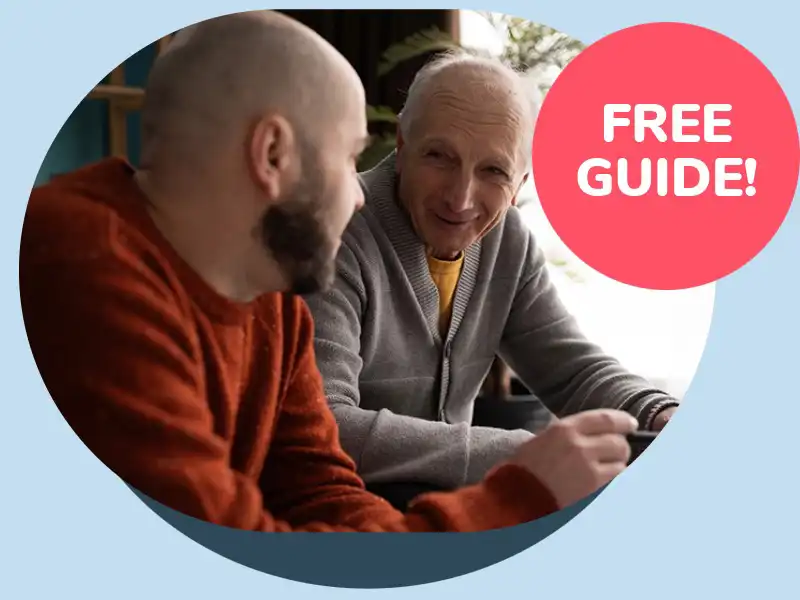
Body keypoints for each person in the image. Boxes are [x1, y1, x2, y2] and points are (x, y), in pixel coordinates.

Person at [19, 11, 639, 533]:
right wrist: (519, 491)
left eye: (494, 172)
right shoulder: (82, 259)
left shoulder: (270, 293)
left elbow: (325, 496)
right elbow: (236, 551)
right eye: (348, 157)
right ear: (272, 154)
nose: (363, 194)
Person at [304, 51, 680, 494]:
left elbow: (572, 370)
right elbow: (325, 425)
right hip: (341, 513)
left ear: (521, 184)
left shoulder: (508, 241)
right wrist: (528, 456)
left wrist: (658, 413)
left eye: (493, 171)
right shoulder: (335, 232)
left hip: (454, 513)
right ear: (403, 146)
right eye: (439, 157)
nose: (461, 199)